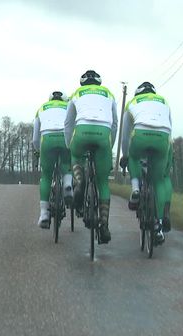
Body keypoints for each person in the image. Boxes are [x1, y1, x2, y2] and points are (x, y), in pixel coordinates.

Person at [64, 70, 118, 244]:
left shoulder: (76, 94)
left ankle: (79, 182)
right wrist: (111, 144)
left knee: (76, 156)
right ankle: (104, 226)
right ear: (98, 83)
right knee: (103, 183)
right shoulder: (109, 94)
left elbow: (68, 123)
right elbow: (115, 123)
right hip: (104, 135)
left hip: (81, 132)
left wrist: (69, 145)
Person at [119, 81, 173, 244]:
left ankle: (135, 190)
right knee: (158, 181)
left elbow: (126, 135)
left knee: (134, 157)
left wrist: (125, 155)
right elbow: (170, 128)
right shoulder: (164, 102)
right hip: (163, 137)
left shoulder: (132, 103)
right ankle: (159, 225)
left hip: (140, 133)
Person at [32, 91, 73, 229]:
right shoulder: (68, 106)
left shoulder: (42, 108)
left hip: (47, 139)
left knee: (46, 176)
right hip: (64, 137)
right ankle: (68, 185)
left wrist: (38, 150)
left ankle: (44, 214)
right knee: (67, 163)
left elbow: (35, 138)